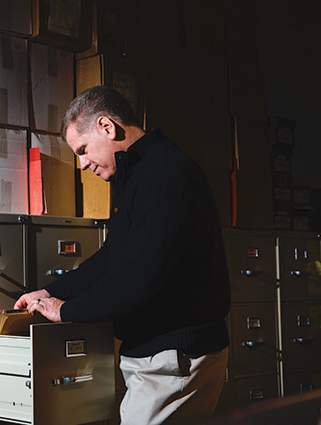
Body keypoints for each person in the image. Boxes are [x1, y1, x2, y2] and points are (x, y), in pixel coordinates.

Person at [14, 85, 230, 425]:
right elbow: (112, 257)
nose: (82, 164)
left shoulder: (164, 174)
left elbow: (136, 281)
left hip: (173, 359)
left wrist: (68, 311)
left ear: (106, 127)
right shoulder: (140, 175)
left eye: (83, 150)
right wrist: (51, 292)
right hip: (165, 358)